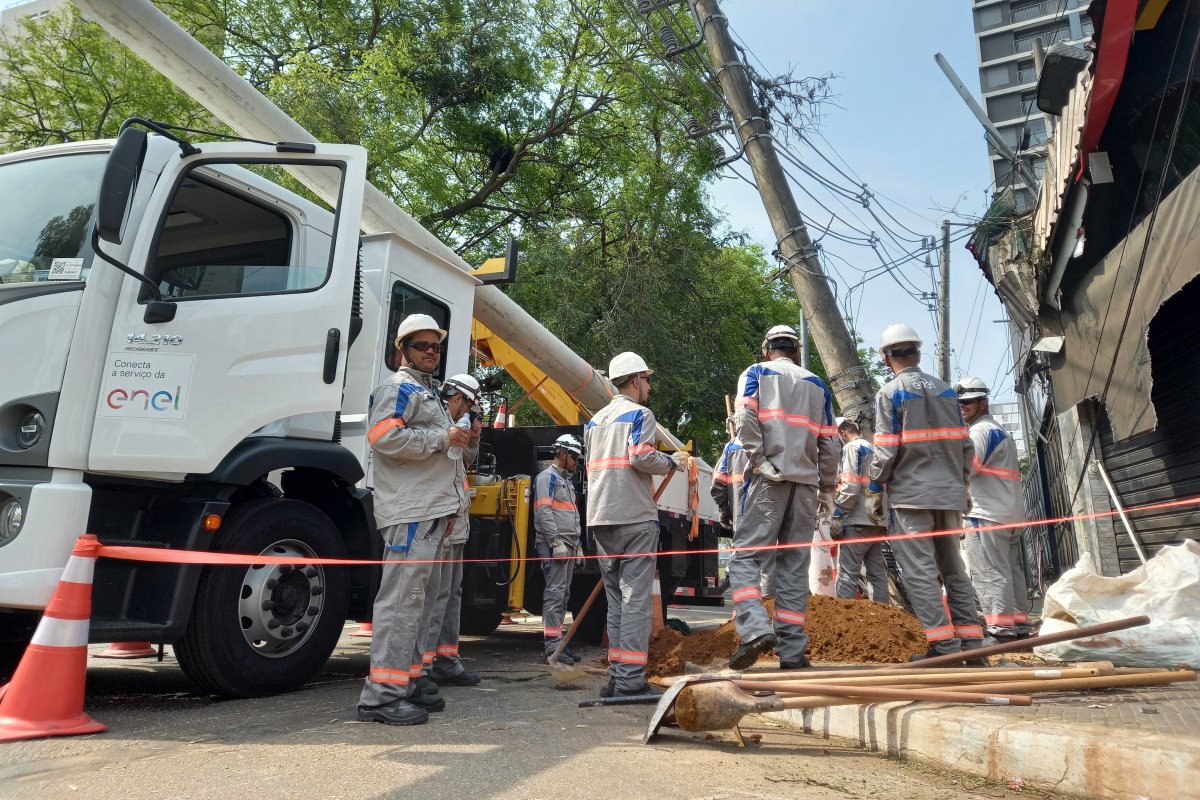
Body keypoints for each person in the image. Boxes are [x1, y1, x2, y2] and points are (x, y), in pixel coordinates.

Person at [357, 313, 472, 726]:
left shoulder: (429, 392)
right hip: (411, 512)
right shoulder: (398, 387)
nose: (430, 352)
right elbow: (383, 438)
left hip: (431, 512)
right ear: (401, 350)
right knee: (401, 604)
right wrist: (443, 437)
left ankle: (402, 685)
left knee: (417, 605)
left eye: (435, 347)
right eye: (421, 346)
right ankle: (380, 697)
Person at [867, 324, 983, 662]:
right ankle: (973, 648)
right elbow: (965, 445)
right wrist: (962, 484)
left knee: (919, 573)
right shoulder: (947, 391)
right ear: (917, 352)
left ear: (887, 358)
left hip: (911, 497)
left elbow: (886, 450)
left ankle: (944, 648)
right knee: (954, 570)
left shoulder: (890, 393)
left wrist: (874, 487)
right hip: (949, 494)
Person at [727, 325, 839, 670]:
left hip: (769, 480)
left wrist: (759, 460)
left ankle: (756, 629)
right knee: (793, 568)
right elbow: (830, 442)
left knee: (744, 559)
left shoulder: (757, 373)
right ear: (796, 349)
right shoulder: (817, 384)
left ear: (767, 349)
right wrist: (827, 488)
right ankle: (792, 654)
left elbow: (744, 417)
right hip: (805, 487)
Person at [585, 352, 689, 698]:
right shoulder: (640, 414)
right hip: (633, 516)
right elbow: (641, 456)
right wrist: (672, 460)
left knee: (616, 601)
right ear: (634, 381)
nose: (649, 387)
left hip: (601, 518)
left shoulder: (594, 421)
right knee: (635, 602)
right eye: (647, 380)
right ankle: (629, 681)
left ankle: (617, 677)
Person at [418, 374, 485, 689]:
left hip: (455, 520)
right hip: (442, 519)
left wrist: (474, 437)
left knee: (451, 593)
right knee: (437, 593)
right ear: (459, 397)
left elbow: (463, 462)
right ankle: (424, 665)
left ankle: (446, 660)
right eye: (469, 405)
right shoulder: (439, 422)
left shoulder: (453, 425)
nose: (469, 411)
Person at [956, 377, 1032, 642]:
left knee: (989, 573)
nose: (962, 407)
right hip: (1007, 514)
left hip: (986, 514)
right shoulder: (999, 431)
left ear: (983, 402)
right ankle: (1019, 626)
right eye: (960, 403)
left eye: (968, 402)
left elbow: (967, 468)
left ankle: (1000, 632)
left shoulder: (979, 432)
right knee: (1010, 572)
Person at [533, 433, 585, 664]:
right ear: (562, 454)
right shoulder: (547, 478)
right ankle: (553, 648)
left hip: (569, 545)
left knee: (563, 595)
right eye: (574, 457)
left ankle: (560, 643)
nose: (576, 462)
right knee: (555, 594)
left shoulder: (566, 480)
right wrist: (555, 542)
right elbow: (544, 513)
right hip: (556, 546)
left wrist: (579, 545)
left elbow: (572, 515)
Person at [830, 417, 891, 603]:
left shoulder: (850, 448)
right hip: (876, 521)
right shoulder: (873, 448)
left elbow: (850, 486)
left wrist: (839, 513)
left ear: (841, 432)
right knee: (878, 573)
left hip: (856, 520)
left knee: (848, 574)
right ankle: (884, 618)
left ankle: (844, 621)